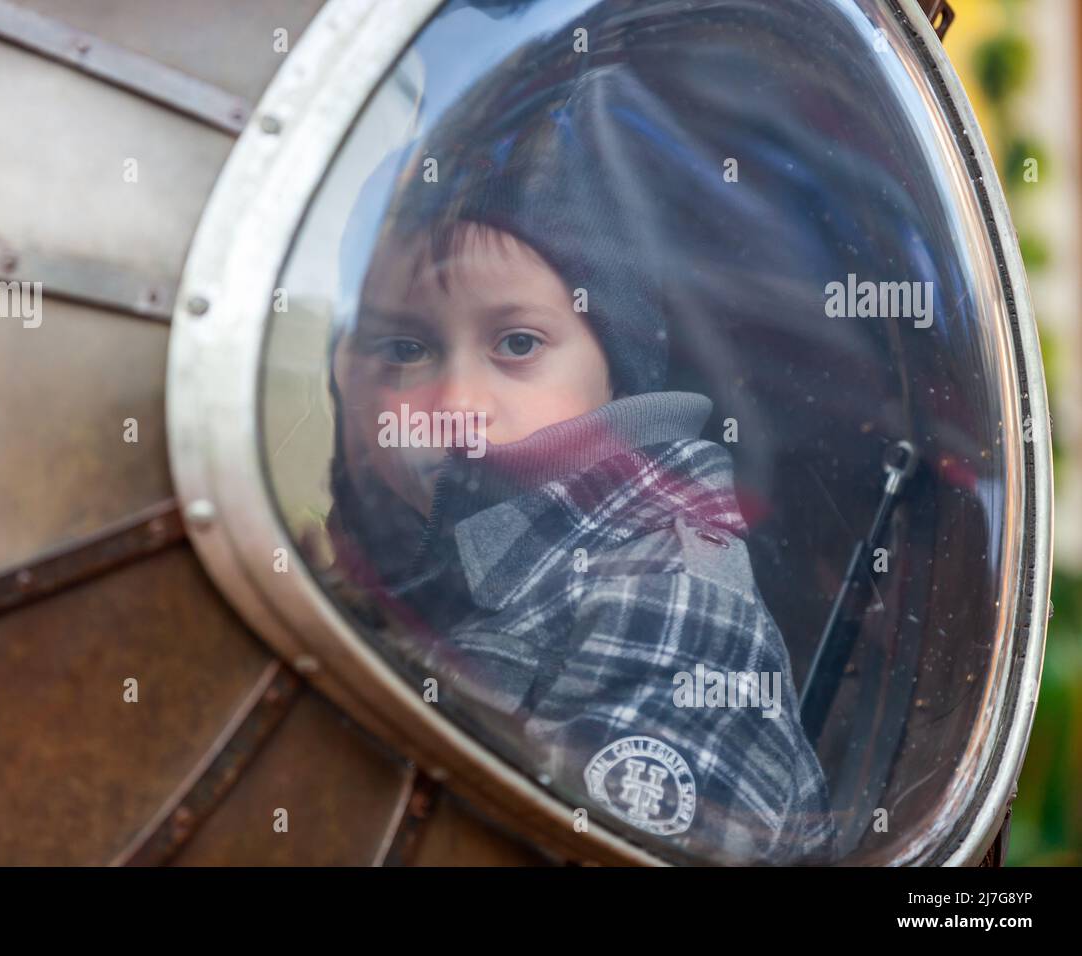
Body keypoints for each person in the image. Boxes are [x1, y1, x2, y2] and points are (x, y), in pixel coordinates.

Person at [320, 61, 837, 864]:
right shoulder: (410, 547)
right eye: (407, 348)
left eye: (517, 344)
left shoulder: (667, 593)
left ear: (616, 367)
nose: (458, 403)